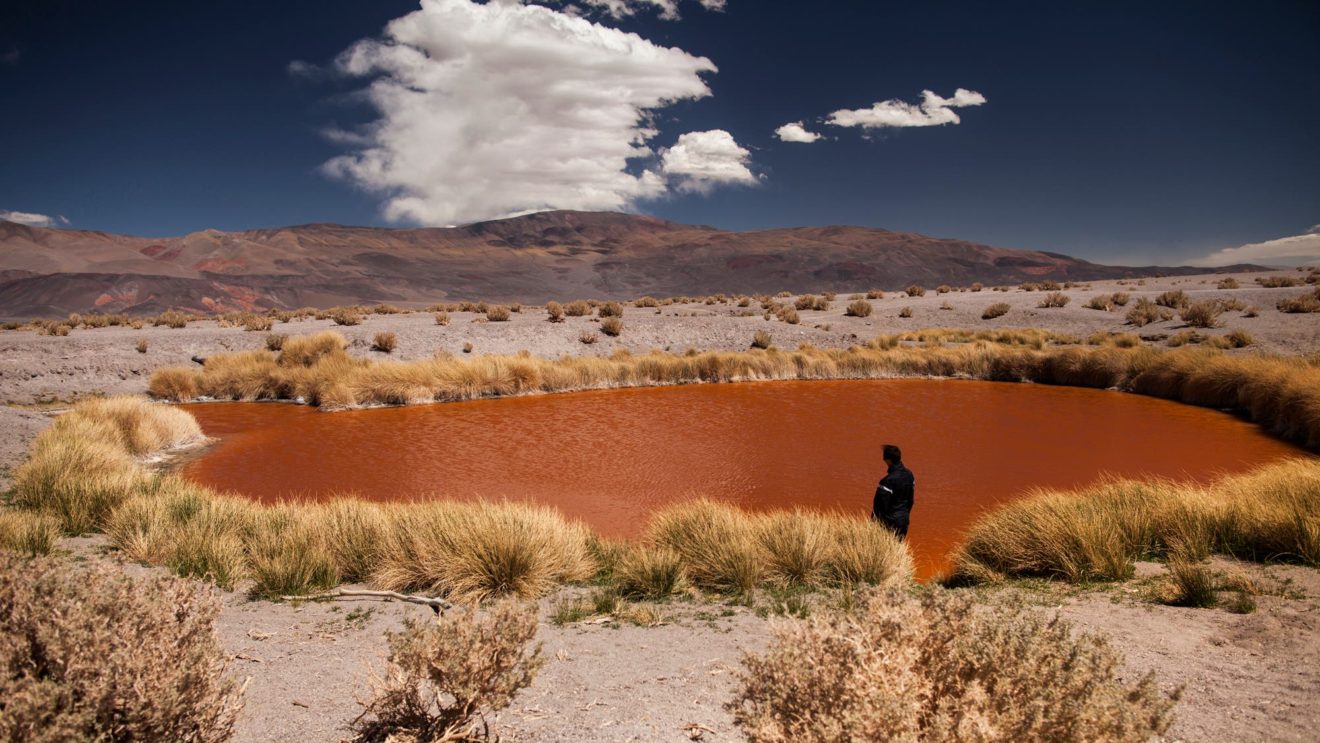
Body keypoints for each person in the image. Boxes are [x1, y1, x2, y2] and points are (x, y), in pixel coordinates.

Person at [872, 444, 915, 539]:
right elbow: (910, 501)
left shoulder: (888, 481)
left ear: (888, 460)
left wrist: (875, 523)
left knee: (887, 549)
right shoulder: (910, 475)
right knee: (898, 547)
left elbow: (879, 506)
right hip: (904, 520)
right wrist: (905, 515)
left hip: (890, 522)